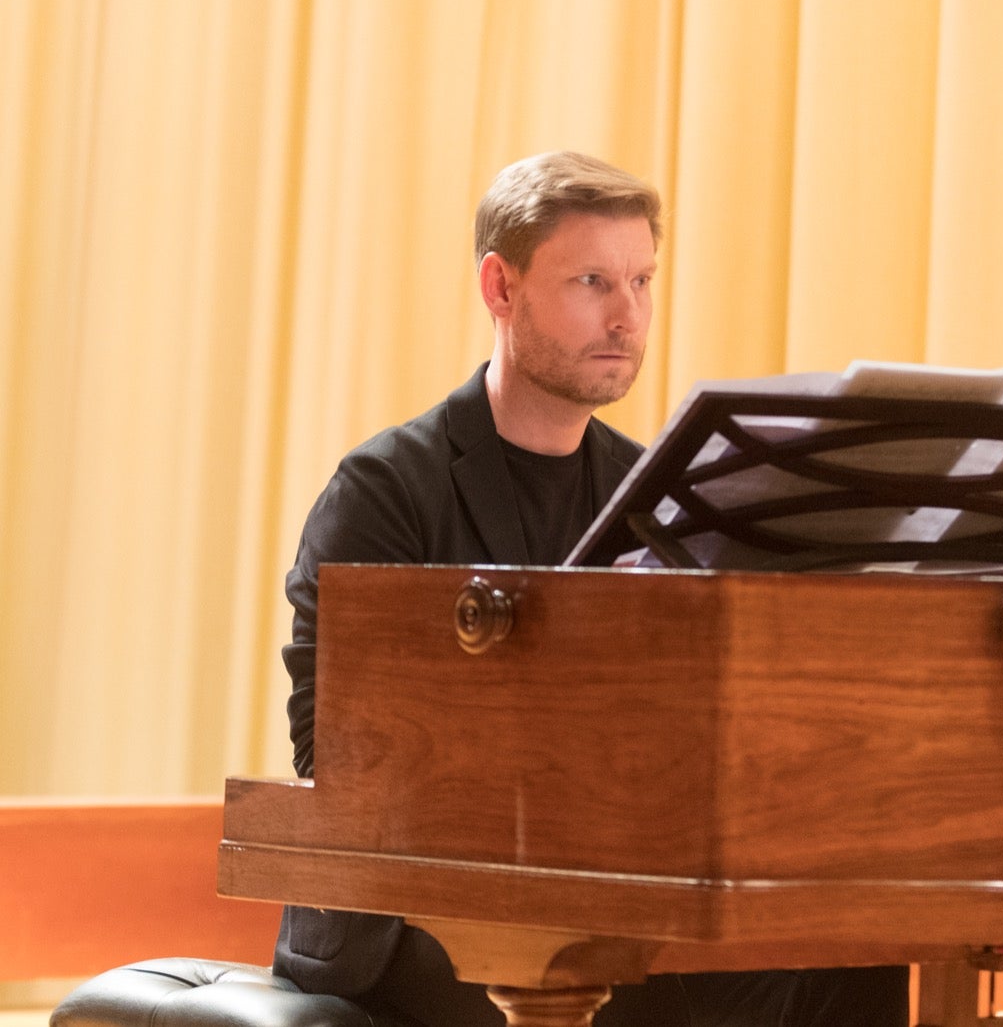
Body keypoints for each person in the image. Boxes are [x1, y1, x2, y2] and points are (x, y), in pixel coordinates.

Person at [273, 150, 909, 1027]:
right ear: (500, 287)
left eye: (642, 281)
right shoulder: (388, 489)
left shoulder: (656, 491)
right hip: (411, 917)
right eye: (591, 281)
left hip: (603, 895)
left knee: (854, 967)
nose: (627, 314)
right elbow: (331, 753)